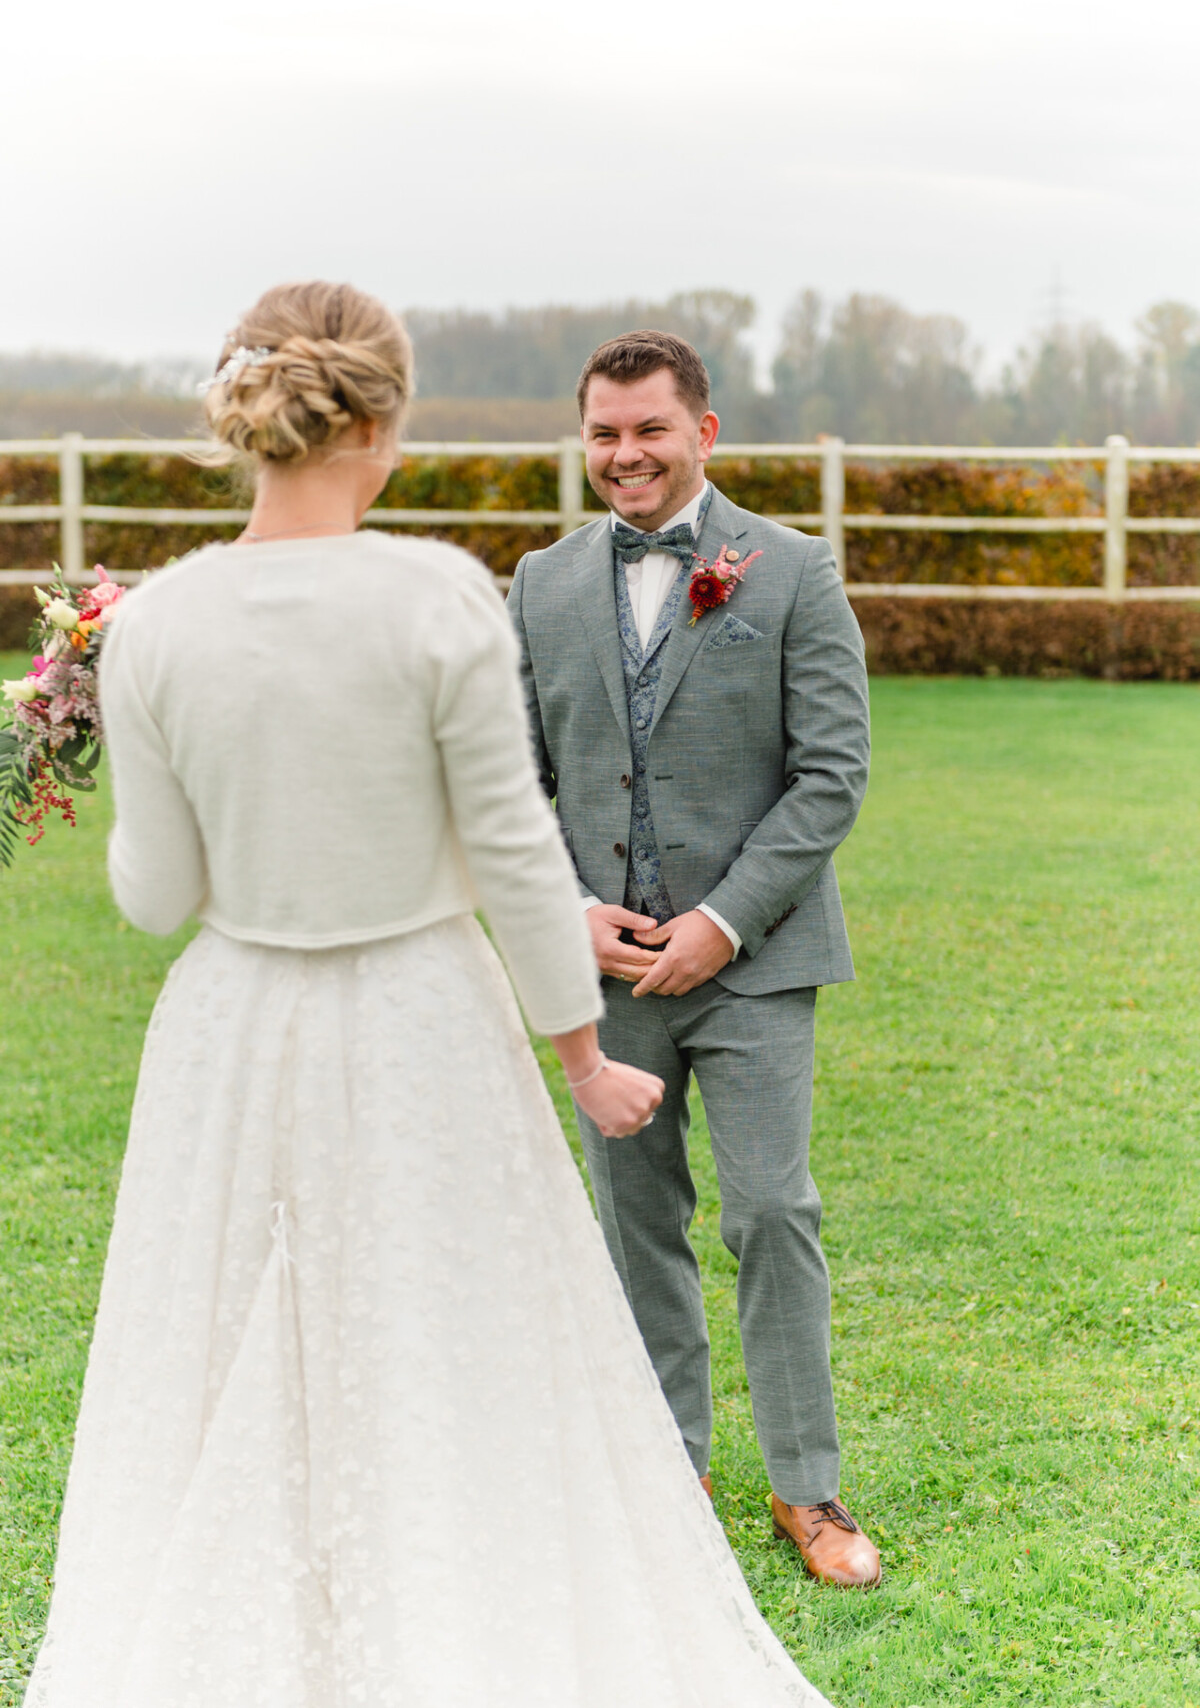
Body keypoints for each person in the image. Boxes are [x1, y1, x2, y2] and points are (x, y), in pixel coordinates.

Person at [25, 283, 833, 1707]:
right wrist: (581, 1053)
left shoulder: (149, 627)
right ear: (384, 425)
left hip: (231, 1025)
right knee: (443, 1328)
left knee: (231, 1334)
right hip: (417, 1013)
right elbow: (515, 845)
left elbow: (154, 894)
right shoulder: (441, 594)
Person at [507, 330, 879, 1587]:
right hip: (606, 974)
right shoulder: (541, 584)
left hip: (757, 964)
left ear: (703, 433)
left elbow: (832, 775)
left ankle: (808, 1494)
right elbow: (516, 783)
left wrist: (723, 920)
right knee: (636, 1223)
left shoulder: (792, 572)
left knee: (774, 1212)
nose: (626, 455)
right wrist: (565, 908)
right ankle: (667, 1470)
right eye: (605, 433)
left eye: (650, 430)